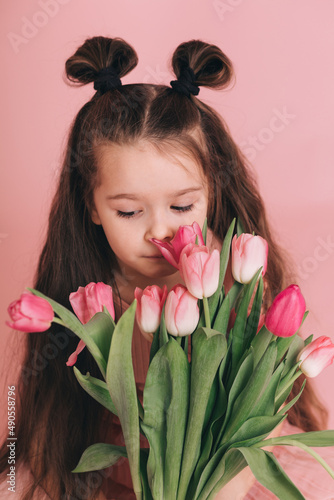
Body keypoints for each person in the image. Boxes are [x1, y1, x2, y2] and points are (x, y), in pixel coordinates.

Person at [0, 36, 332, 499]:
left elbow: (253, 421)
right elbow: (49, 416)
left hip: (226, 481)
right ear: (91, 207)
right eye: (129, 212)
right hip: (114, 478)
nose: (161, 232)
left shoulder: (233, 281)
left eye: (182, 206)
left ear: (211, 192)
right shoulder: (86, 294)